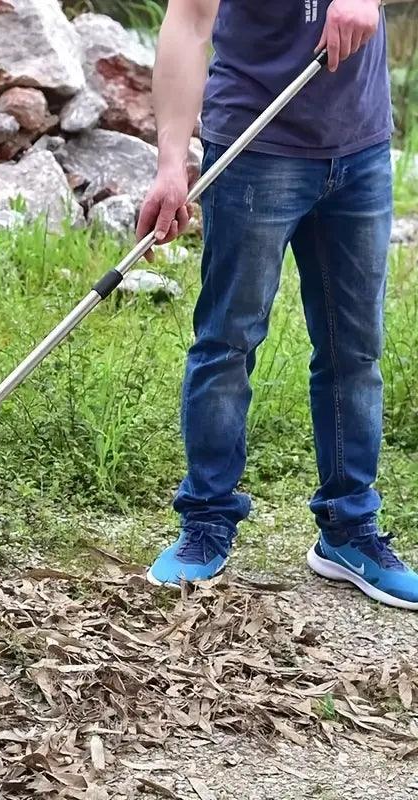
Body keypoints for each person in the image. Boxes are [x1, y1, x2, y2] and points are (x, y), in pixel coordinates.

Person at [139, 0, 418, 609]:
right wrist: (170, 163)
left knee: (355, 349)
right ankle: (206, 521)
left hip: (361, 149)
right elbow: (188, 23)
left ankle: (349, 531)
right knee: (227, 343)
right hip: (253, 146)